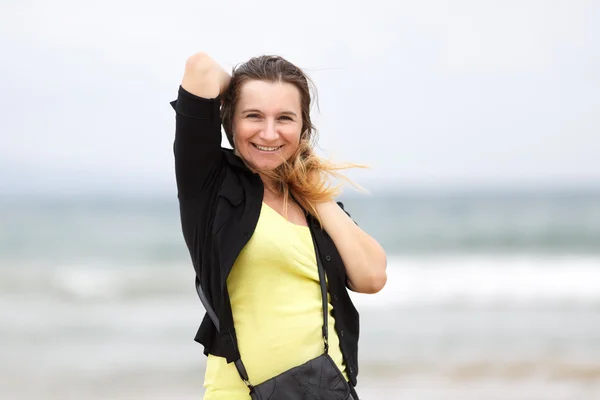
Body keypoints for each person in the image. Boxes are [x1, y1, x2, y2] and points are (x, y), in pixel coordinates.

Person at [170, 52, 387, 399]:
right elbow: (201, 68)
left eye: (284, 118)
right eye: (253, 115)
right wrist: (241, 90)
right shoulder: (210, 186)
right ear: (230, 120)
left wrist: (313, 190)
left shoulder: (315, 204)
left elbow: (372, 277)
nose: (269, 132)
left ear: (303, 127)